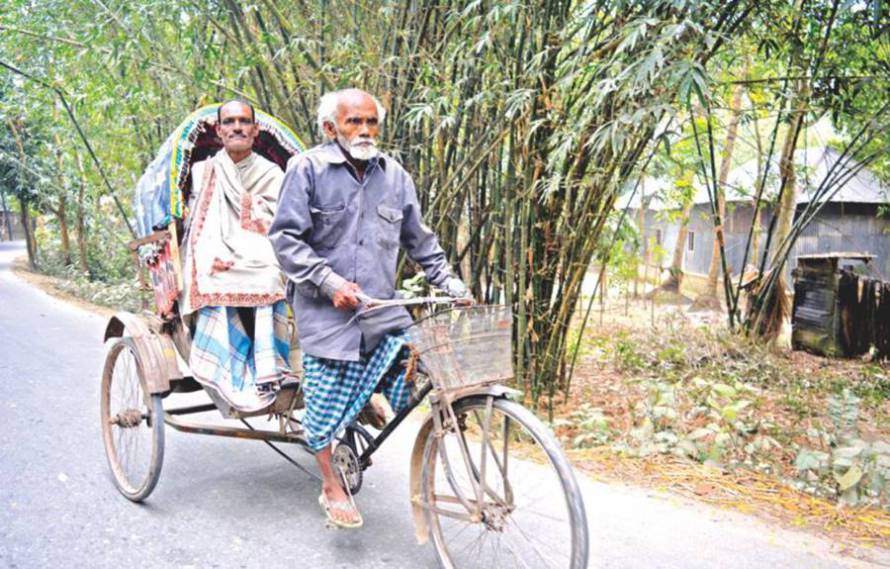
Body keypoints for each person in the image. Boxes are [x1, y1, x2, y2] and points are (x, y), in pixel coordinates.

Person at [269, 88, 467, 528]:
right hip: (327, 316)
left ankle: (364, 400)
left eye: (371, 122)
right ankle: (330, 485)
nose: (364, 130)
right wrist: (329, 282)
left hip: (382, 311)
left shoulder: (395, 176)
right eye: (353, 122)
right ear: (330, 128)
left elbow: (421, 241)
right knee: (320, 408)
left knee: (422, 372)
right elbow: (285, 239)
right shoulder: (307, 169)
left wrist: (450, 283)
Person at [181, 100, 292, 412]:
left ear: (255, 131)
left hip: (258, 246)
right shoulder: (204, 170)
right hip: (212, 247)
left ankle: (267, 368)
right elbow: (194, 223)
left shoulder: (271, 172)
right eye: (229, 122)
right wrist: (216, 249)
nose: (237, 127)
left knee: (270, 275)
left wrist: (245, 204)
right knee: (210, 274)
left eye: (244, 121)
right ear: (219, 131)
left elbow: (280, 218)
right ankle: (224, 366)